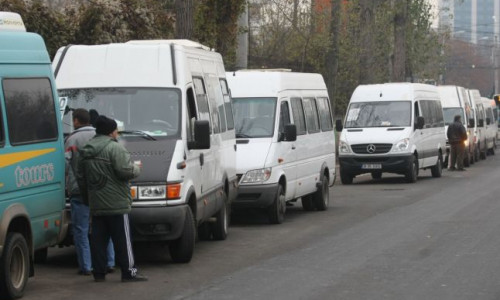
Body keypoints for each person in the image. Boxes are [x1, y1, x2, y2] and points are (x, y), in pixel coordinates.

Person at [77, 115, 147, 282]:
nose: (117, 133)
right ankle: (129, 272)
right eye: (116, 130)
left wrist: (88, 199)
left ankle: (99, 273)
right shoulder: (115, 149)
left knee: (98, 241)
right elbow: (125, 171)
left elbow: (81, 178)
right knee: (123, 241)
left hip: (97, 204)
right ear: (110, 132)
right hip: (117, 204)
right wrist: (136, 168)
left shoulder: (86, 150)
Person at [65, 109, 115, 276]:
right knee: (105, 228)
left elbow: (65, 164)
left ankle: (86, 266)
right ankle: (110, 262)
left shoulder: (71, 139)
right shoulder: (101, 136)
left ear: (77, 121)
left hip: (78, 189)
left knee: (81, 229)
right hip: (102, 189)